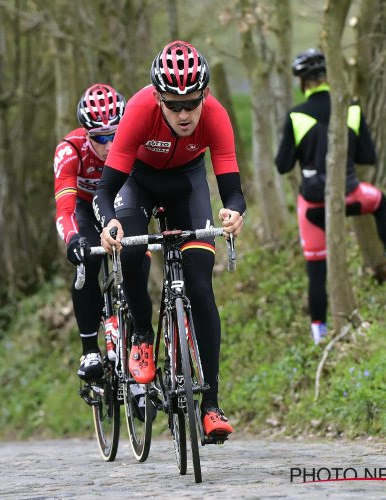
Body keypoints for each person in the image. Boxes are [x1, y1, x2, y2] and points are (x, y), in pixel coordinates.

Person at [93, 41, 246, 438]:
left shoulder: (215, 116)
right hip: (138, 183)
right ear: (158, 97)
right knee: (129, 256)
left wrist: (232, 213)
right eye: (173, 105)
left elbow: (231, 186)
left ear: (205, 95)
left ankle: (210, 404)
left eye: (191, 103)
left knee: (200, 284)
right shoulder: (140, 111)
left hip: (187, 186)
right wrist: (110, 223)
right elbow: (105, 190)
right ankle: (142, 334)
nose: (183, 114)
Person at [275, 49, 386, 345]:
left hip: (313, 207)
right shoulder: (351, 107)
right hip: (350, 197)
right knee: (380, 201)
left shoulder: (297, 116)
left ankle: (319, 337)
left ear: (302, 82)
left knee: (315, 268)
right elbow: (368, 156)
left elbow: (282, 165)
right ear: (327, 76)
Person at [54, 83, 129, 381]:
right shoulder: (70, 150)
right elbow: (65, 209)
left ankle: (138, 344)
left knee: (138, 258)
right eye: (100, 138)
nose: (110, 145)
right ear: (86, 133)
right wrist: (73, 240)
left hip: (120, 204)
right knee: (87, 261)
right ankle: (90, 350)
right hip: (84, 209)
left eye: (116, 134)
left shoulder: (134, 142)